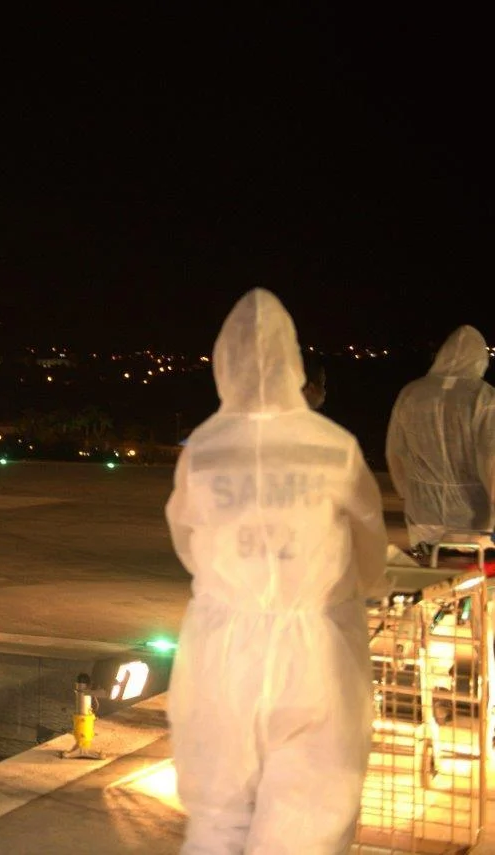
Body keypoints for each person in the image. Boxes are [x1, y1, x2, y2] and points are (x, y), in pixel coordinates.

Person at [165, 288, 387, 854]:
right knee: (307, 810)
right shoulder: (333, 444)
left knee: (217, 810)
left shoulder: (205, 446)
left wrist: (230, 587)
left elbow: (187, 537)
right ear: (292, 361)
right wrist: (355, 592)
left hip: (220, 648)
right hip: (313, 647)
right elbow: (367, 539)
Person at [385, 325, 495, 557]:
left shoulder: (412, 394)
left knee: (433, 583)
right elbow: (491, 459)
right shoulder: (484, 398)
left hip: (422, 515)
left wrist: (406, 493)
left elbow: (396, 452)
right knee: (475, 587)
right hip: (473, 520)